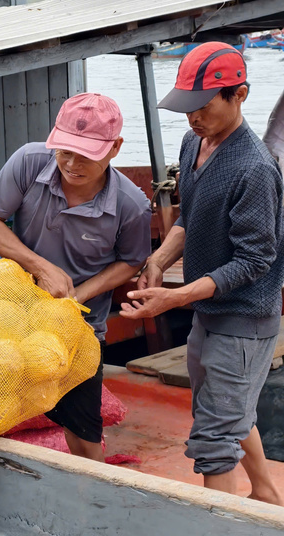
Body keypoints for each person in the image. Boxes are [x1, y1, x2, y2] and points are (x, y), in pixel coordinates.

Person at [0, 92, 151, 461]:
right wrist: (40, 267)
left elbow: (131, 262)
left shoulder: (132, 205)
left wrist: (80, 294)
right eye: (65, 150)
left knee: (86, 441)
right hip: (8, 293)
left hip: (73, 324)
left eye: (86, 154)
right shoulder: (28, 161)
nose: (72, 164)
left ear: (115, 148)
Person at [120, 42, 284, 504]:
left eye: (203, 106)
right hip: (206, 313)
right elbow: (190, 218)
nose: (192, 117)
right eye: (185, 107)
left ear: (240, 95)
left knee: (214, 439)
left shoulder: (254, 168)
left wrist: (175, 298)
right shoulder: (194, 142)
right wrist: (157, 261)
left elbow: (255, 261)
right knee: (229, 413)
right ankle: (269, 494)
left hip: (244, 320)